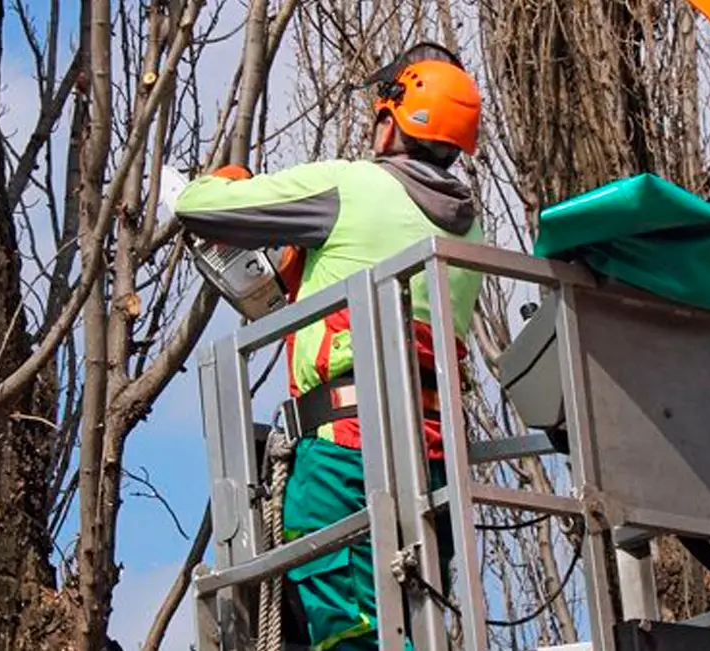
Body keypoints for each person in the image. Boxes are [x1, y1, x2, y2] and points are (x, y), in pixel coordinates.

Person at [173, 43, 485, 651]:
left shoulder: (350, 185)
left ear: (390, 120)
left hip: (344, 452)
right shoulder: (471, 227)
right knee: (416, 620)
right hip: (435, 457)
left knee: (349, 631)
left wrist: (228, 184)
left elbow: (197, 207)